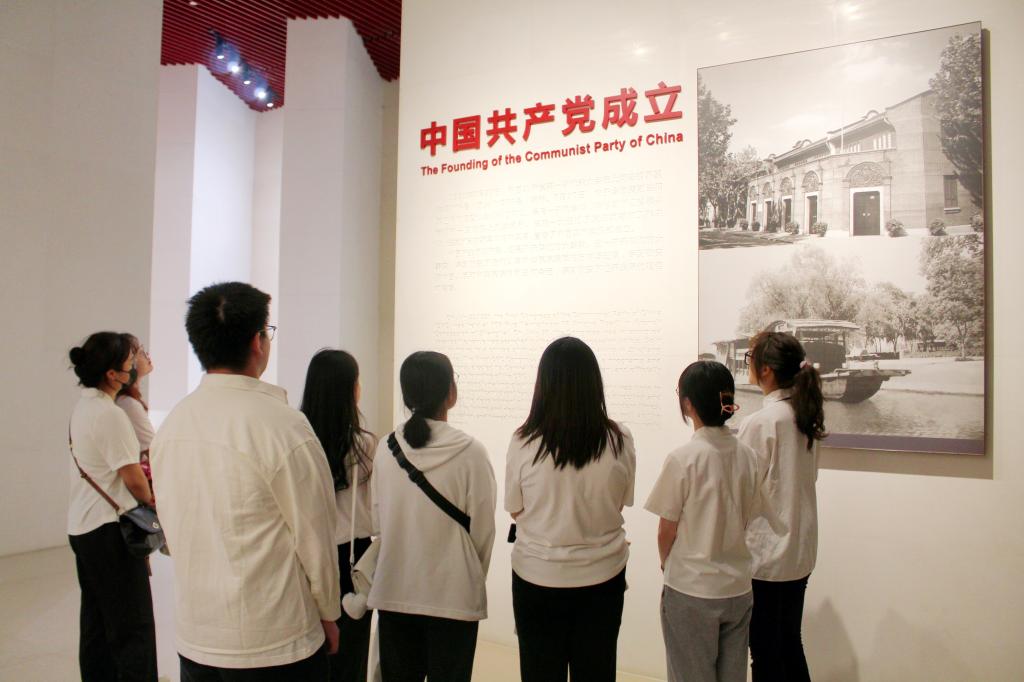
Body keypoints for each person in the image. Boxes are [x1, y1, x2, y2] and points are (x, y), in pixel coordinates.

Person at [150, 281, 341, 681]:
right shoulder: (284, 426)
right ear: (258, 341)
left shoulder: (173, 425)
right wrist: (328, 611)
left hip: (197, 634)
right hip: (275, 639)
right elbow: (316, 535)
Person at [505, 336, 636, 682]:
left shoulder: (523, 440)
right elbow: (620, 502)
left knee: (539, 672)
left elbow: (515, 509)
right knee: (597, 671)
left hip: (536, 577)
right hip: (603, 577)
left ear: (543, 384)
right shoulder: (619, 439)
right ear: (594, 382)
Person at [368, 351, 496, 682]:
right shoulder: (472, 453)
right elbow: (483, 533)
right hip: (454, 598)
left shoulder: (385, 448)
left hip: (395, 592)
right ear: (450, 392)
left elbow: (377, 520)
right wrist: (469, 575)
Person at [645, 360, 774, 682]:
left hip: (692, 588)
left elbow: (665, 530)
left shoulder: (683, 459)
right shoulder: (748, 456)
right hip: (738, 588)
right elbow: (749, 517)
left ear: (688, 404)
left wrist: (665, 564)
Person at [67, 331, 157, 681]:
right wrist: (154, 502)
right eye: (130, 362)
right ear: (112, 374)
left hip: (83, 526)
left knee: (97, 622)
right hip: (110, 529)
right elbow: (133, 478)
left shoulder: (84, 406)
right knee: (133, 626)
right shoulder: (110, 414)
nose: (134, 366)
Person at [739, 331, 826, 682]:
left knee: (765, 652)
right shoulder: (804, 416)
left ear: (766, 370)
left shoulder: (762, 422)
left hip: (767, 556)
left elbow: (743, 491)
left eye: (751, 359)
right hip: (799, 551)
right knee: (789, 642)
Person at [300, 349, 376, 682]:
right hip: (352, 556)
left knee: (309, 657)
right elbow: (373, 510)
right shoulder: (363, 445)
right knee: (351, 658)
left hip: (305, 553)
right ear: (350, 390)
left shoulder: (300, 441)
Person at [116, 333, 155, 480]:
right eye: (141, 352)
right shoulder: (129, 404)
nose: (147, 356)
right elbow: (154, 451)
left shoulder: (126, 401)